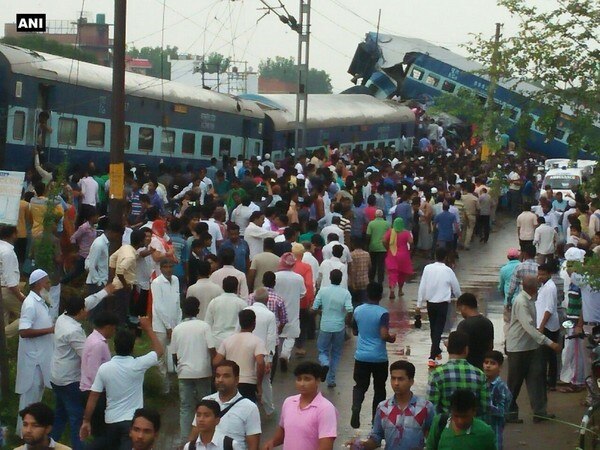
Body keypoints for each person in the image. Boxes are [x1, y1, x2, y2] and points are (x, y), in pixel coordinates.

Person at [80, 317, 163, 450]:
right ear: (132, 346)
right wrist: (148, 328)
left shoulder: (105, 368)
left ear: (115, 345)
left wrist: (86, 421)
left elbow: (93, 398)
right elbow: (159, 350)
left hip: (111, 422)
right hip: (132, 423)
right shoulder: (138, 365)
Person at [506, 275, 561, 424]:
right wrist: (550, 343)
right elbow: (530, 328)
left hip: (531, 346)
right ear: (531, 288)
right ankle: (508, 412)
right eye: (536, 286)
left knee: (537, 379)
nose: (538, 288)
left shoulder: (529, 300)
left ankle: (540, 412)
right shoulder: (521, 302)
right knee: (514, 382)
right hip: (518, 347)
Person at [357, 360, 435, 450]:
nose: (396, 383)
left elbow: (432, 438)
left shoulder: (425, 407)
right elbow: (376, 437)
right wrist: (360, 445)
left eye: (400, 379)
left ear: (411, 381)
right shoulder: (383, 408)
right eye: (393, 378)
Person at [351, 282, 397, 429]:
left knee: (360, 386)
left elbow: (354, 331)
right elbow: (384, 335)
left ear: (367, 294)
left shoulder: (358, 310)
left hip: (361, 356)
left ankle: (356, 407)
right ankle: (375, 419)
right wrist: (392, 338)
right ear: (380, 295)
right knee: (379, 388)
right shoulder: (382, 313)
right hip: (379, 357)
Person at [262, 361, 337, 450]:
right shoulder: (289, 402)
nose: (302, 383)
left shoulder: (326, 408)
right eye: (299, 379)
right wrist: (272, 443)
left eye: (307, 379)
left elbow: (326, 446)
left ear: (317, 381)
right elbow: (283, 430)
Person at [16, 269, 55, 435]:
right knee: (29, 398)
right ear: (38, 284)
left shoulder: (39, 301)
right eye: (46, 282)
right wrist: (50, 330)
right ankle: (24, 433)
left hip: (40, 359)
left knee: (36, 395)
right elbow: (23, 331)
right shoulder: (30, 304)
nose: (49, 285)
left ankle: (33, 431)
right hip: (32, 361)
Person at [188, 361, 261, 450]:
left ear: (237, 380)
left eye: (226, 376)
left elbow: (253, 445)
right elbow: (194, 433)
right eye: (218, 376)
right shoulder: (206, 401)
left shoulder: (249, 407)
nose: (220, 380)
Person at [172, 297, 216, 440]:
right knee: (205, 407)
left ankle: (186, 440)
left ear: (183, 310)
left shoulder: (177, 329)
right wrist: (214, 368)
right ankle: (205, 436)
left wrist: (179, 369)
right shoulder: (204, 326)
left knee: (186, 407)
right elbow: (211, 349)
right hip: (203, 371)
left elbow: (174, 355)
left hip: (184, 373)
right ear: (198, 310)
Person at [50, 297, 87, 450]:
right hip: (70, 380)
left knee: (60, 415)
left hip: (56, 376)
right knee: (76, 418)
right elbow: (86, 355)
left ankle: (48, 444)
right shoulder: (75, 331)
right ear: (80, 311)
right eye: (84, 308)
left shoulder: (61, 319)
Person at [80, 311, 120, 446]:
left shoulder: (93, 339)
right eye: (113, 328)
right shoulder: (98, 344)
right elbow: (94, 372)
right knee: (103, 433)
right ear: (108, 327)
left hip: (93, 391)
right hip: (95, 393)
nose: (114, 332)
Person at [416, 248, 462, 367]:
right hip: (442, 304)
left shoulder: (428, 268)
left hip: (430, 303)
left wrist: (419, 304)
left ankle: (436, 350)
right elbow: (456, 287)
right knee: (438, 329)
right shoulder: (448, 270)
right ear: (446, 257)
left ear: (435, 256)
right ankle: (432, 356)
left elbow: (422, 285)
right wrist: (461, 300)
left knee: (433, 328)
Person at [427, 331, 489, 416]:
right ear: (466, 349)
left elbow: (431, 408)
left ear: (447, 348)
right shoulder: (480, 375)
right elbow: (486, 407)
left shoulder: (437, 374)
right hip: (471, 425)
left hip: (445, 426)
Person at [214, 309, 267, 403]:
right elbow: (260, 362)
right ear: (254, 324)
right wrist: (259, 384)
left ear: (240, 322)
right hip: (248, 382)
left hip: (230, 381)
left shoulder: (228, 340)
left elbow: (216, 361)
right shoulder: (257, 341)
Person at [312, 269, 354, 388]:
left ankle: (325, 363)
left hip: (325, 326)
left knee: (322, 350)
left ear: (330, 278)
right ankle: (331, 379)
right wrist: (347, 320)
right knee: (336, 353)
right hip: (339, 327)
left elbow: (315, 308)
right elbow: (350, 309)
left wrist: (319, 312)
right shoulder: (345, 293)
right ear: (341, 279)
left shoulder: (323, 291)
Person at [426, 389, 496, 450]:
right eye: (456, 416)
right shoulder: (439, 423)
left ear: (474, 412)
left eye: (465, 416)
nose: (460, 421)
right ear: (451, 411)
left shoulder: (485, 432)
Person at [245, 287, 278, 415]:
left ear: (253, 298)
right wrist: (269, 359)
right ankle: (269, 409)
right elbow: (271, 338)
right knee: (265, 382)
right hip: (262, 355)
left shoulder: (245, 311)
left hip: (245, 352)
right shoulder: (269, 315)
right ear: (267, 299)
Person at [275, 253, 307, 371]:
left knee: (276, 334)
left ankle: (277, 355)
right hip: (292, 310)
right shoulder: (298, 278)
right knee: (291, 335)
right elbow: (303, 293)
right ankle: (285, 354)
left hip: (277, 309)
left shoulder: (275, 276)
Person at [535, 262, 560, 391]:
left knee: (548, 355)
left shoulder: (550, 288)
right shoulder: (543, 286)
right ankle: (548, 381)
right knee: (546, 355)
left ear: (549, 274)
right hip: (544, 324)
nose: (540, 277)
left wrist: (542, 326)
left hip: (548, 326)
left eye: (543, 274)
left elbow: (549, 309)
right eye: (539, 274)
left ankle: (550, 382)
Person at [205, 276, 248, 347]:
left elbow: (208, 323)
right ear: (236, 288)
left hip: (216, 340)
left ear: (223, 287)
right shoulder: (242, 304)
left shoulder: (214, 302)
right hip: (235, 341)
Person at [0, 224, 26, 339]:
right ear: (13, 235)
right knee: (28, 314)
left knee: (3, 320)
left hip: (3, 289)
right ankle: (3, 335)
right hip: (7, 290)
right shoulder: (8, 252)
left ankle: (4, 350)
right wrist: (22, 298)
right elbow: (11, 282)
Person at [456, 294, 494, 369]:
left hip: (468, 366)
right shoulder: (488, 323)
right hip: (483, 365)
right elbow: (491, 346)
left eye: (460, 309)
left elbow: (459, 349)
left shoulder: (463, 325)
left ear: (464, 307)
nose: (461, 313)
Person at [483, 351, 512, 450]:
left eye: (492, 363)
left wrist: (485, 406)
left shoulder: (501, 387)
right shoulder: (481, 383)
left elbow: (502, 411)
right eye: (486, 362)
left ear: (500, 367)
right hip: (481, 426)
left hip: (494, 427)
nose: (488, 366)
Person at [383, 218, 414, 299]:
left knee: (392, 273)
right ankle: (400, 290)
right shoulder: (406, 232)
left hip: (392, 254)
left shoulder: (390, 231)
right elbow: (411, 242)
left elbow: (383, 241)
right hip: (404, 255)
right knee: (402, 274)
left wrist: (388, 248)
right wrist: (410, 249)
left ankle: (392, 290)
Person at [366, 210, 390, 284]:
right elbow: (390, 235)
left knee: (372, 265)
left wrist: (367, 246)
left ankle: (371, 281)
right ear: (382, 215)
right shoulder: (387, 224)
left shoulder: (371, 224)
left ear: (375, 215)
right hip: (383, 248)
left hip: (373, 247)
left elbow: (368, 236)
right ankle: (380, 282)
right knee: (381, 266)